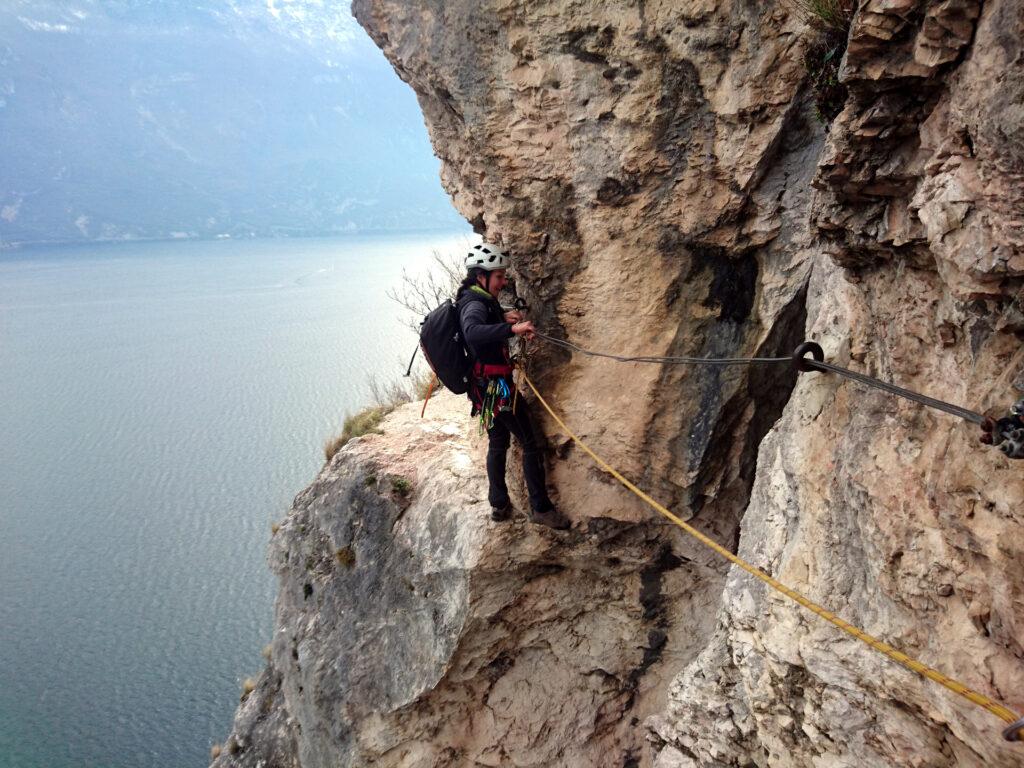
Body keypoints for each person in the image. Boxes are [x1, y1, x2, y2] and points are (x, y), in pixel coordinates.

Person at [456, 242, 570, 530]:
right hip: (497, 389)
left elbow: (481, 325)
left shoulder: (476, 297)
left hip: (484, 389)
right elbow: (472, 331)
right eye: (499, 276)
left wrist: (502, 317)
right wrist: (512, 328)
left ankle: (499, 504)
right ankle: (540, 508)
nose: (503, 282)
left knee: (498, 441)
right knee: (530, 442)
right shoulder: (474, 303)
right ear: (482, 276)